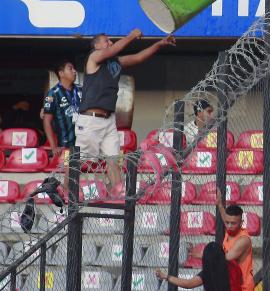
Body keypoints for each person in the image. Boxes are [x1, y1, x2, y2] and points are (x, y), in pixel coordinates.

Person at [77, 30, 175, 188]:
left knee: (113, 160)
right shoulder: (93, 57)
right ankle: (64, 191)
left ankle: (117, 195)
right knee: (79, 160)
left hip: (109, 121)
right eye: (106, 40)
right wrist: (131, 36)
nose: (110, 42)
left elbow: (139, 57)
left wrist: (158, 44)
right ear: (96, 46)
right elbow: (113, 49)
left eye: (110, 40)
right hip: (90, 119)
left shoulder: (114, 62)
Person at [43, 60, 81, 193]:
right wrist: (53, 146)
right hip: (66, 144)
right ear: (61, 73)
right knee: (70, 171)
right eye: (70, 68)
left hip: (84, 141)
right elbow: (47, 121)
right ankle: (67, 199)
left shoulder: (81, 90)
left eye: (74, 68)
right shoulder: (53, 94)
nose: (74, 71)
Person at [155, 242, 242, 291]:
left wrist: (166, 276)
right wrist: (200, 256)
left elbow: (188, 284)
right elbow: (218, 258)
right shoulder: (234, 266)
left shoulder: (208, 273)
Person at [217, 190, 255, 291]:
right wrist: (220, 205)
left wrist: (203, 255)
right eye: (227, 223)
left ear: (241, 223)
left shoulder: (243, 240)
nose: (229, 226)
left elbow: (226, 258)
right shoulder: (230, 229)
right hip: (231, 284)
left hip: (243, 287)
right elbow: (226, 217)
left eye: (233, 223)